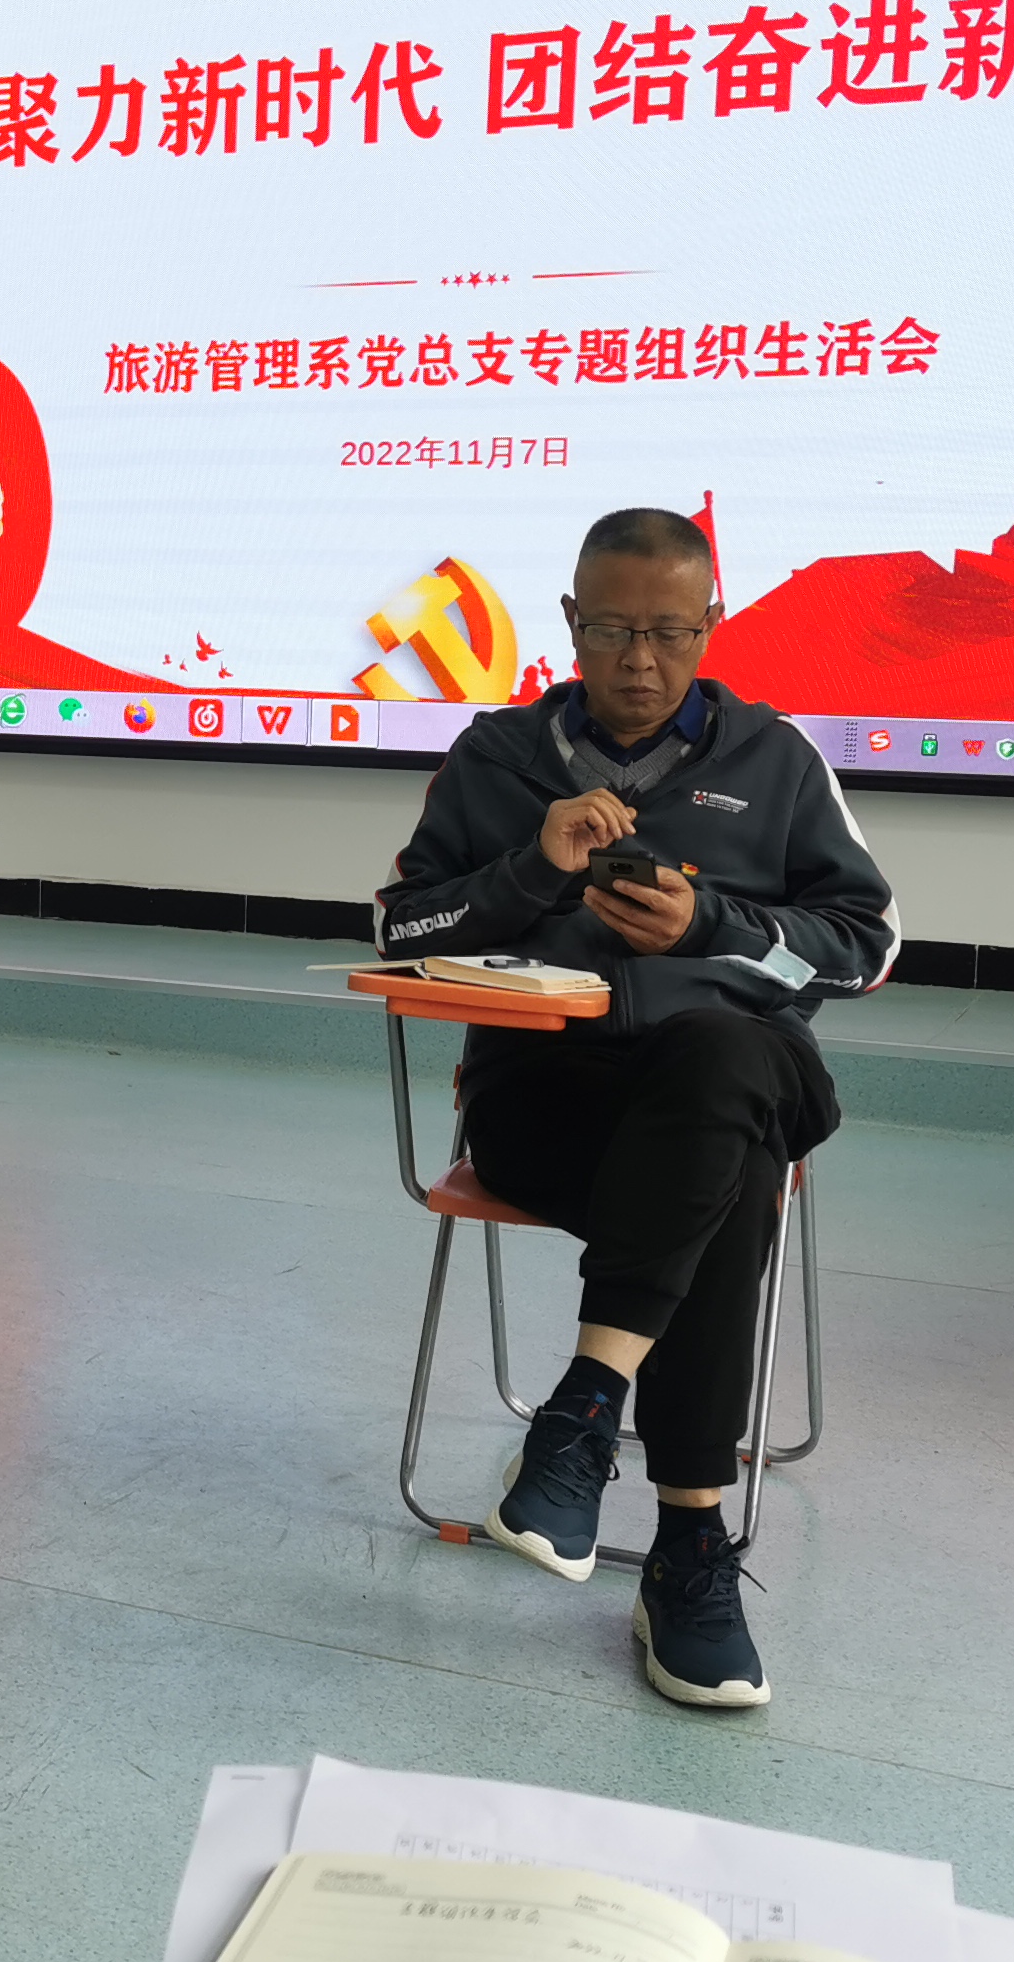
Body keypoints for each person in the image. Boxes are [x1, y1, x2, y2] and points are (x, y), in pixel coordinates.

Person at [374, 507, 897, 1711]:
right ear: (570, 623)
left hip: (727, 1079)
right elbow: (402, 930)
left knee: (722, 1060)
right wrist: (533, 869)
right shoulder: (498, 757)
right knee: (730, 1175)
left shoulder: (775, 760)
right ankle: (687, 1551)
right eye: (611, 631)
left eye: (670, 633)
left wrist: (712, 926)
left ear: (712, 625)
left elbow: (864, 947)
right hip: (546, 1107)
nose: (641, 662)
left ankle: (583, 1417)